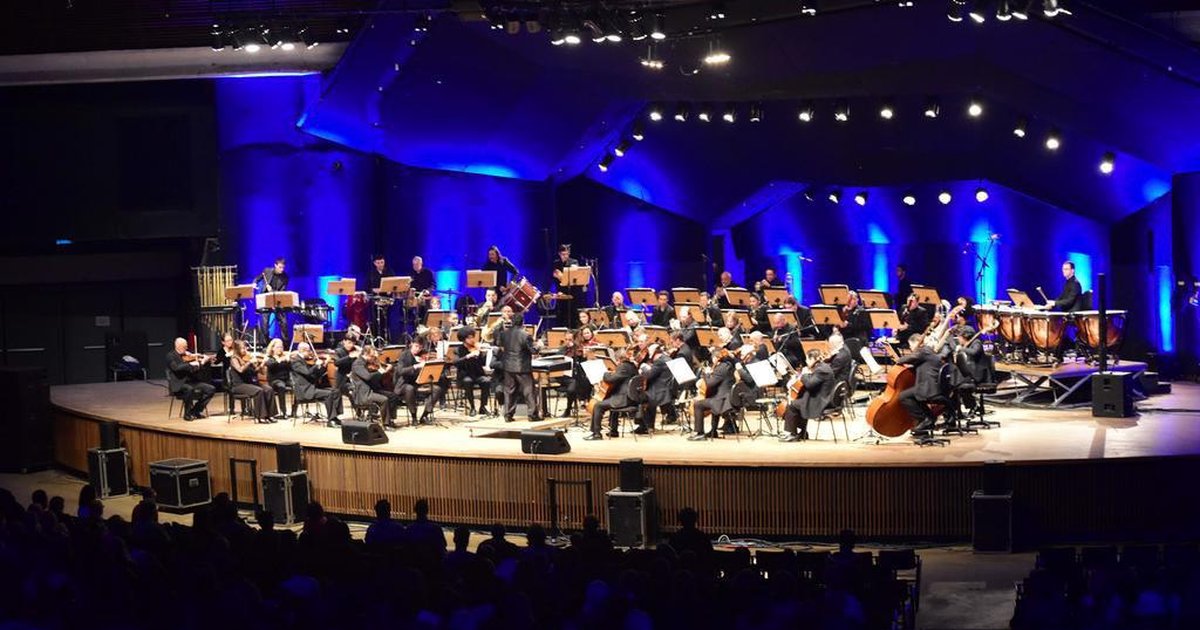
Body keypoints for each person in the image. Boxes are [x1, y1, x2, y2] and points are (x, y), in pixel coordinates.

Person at [495, 305, 540, 422]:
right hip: (522, 367)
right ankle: (532, 415)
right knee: (528, 390)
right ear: (522, 322)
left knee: (509, 391)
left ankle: (508, 415)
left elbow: (499, 344)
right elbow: (533, 350)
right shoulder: (525, 335)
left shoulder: (504, 333)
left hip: (508, 366)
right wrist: (538, 345)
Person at [584, 346, 639, 440]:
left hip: (624, 399)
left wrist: (605, 373)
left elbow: (611, 379)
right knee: (611, 399)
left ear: (619, 359)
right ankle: (613, 430)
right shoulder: (632, 366)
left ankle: (596, 433)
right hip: (631, 398)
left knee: (598, 405)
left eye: (616, 360)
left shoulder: (623, 367)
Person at [780, 349, 836, 442]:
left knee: (792, 405)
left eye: (807, 359)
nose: (806, 361)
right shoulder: (821, 367)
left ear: (813, 359)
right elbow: (813, 380)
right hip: (820, 397)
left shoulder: (822, 369)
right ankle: (802, 432)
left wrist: (803, 376)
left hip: (821, 401)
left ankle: (792, 434)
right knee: (800, 402)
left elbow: (810, 384)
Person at [689, 335, 737, 441]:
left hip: (722, 401)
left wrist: (706, 374)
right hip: (725, 398)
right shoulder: (728, 365)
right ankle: (713, 431)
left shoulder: (721, 368)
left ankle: (699, 433)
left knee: (698, 404)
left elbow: (710, 383)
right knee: (712, 397)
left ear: (716, 357)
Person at [895, 334, 943, 435]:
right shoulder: (928, 351)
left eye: (910, 345)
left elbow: (903, 360)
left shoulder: (923, 351)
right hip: (935, 386)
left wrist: (899, 360)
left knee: (903, 396)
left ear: (916, 342)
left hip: (929, 388)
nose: (911, 348)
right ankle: (929, 418)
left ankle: (924, 419)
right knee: (913, 395)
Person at [290, 342, 343, 426]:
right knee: (329, 394)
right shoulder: (296, 362)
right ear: (303, 350)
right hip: (305, 391)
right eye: (309, 351)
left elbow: (315, 375)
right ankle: (331, 420)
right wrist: (315, 365)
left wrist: (324, 364)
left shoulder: (302, 361)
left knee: (336, 391)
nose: (310, 352)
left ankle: (335, 416)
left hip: (311, 388)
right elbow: (307, 373)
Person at [393, 339, 444, 425]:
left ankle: (425, 415)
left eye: (420, 348)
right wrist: (416, 366)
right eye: (416, 346)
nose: (418, 349)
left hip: (418, 383)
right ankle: (414, 417)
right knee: (410, 389)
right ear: (411, 345)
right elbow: (400, 371)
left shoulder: (421, 355)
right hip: (404, 384)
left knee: (437, 389)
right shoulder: (404, 355)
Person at [165, 338, 215, 420]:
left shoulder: (187, 356)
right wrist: (190, 363)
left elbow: (195, 369)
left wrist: (202, 362)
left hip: (191, 382)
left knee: (210, 389)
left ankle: (195, 410)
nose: (186, 349)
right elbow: (176, 368)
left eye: (186, 347)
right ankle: (187, 414)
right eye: (185, 347)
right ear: (178, 346)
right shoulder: (170, 356)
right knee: (189, 389)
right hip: (179, 384)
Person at [351, 345, 398, 426]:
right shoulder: (357, 364)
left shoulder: (369, 362)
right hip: (363, 394)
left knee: (393, 396)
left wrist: (388, 367)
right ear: (365, 354)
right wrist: (380, 371)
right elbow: (367, 377)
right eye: (372, 356)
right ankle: (386, 424)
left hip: (372, 390)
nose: (374, 358)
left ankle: (390, 419)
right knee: (384, 399)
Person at [228, 340, 273, 423]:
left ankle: (269, 415)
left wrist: (262, 364)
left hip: (250, 384)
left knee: (268, 389)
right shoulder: (234, 359)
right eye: (242, 348)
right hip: (239, 385)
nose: (245, 350)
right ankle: (260, 416)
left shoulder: (247, 357)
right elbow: (240, 370)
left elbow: (256, 371)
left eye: (245, 348)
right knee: (259, 391)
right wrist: (249, 362)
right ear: (237, 349)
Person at [454, 327, 492, 416]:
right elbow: (455, 363)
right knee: (468, 381)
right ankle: (472, 407)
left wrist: (482, 354)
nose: (472, 340)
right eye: (469, 338)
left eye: (472, 337)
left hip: (477, 374)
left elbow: (483, 363)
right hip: (465, 375)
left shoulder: (476, 348)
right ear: (464, 339)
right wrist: (468, 356)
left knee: (486, 381)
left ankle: (483, 406)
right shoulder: (458, 350)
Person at [640, 343, 675, 433]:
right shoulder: (666, 358)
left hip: (660, 391)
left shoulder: (659, 362)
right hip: (667, 388)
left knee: (641, 396)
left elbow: (649, 375)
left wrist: (643, 367)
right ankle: (647, 425)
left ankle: (646, 426)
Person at [550, 244, 584, 330]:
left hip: (572, 294)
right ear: (559, 254)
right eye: (563, 254)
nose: (565, 256)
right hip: (560, 293)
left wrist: (562, 276)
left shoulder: (574, 262)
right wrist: (562, 277)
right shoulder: (556, 263)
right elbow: (555, 275)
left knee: (572, 316)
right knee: (561, 315)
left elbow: (573, 276)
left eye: (567, 254)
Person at [256, 257, 290, 341]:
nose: (281, 269)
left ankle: (285, 344)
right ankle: (266, 343)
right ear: (275, 265)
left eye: (283, 268)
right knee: (264, 323)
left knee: (283, 322)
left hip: (278, 300)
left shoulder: (285, 277)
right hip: (266, 300)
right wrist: (254, 284)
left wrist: (272, 290)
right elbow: (258, 278)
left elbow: (282, 291)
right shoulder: (267, 271)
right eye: (280, 267)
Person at [263, 338, 292, 419]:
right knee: (281, 386)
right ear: (273, 348)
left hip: (286, 379)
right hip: (274, 380)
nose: (280, 349)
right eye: (278, 347)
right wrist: (278, 360)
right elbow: (270, 365)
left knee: (297, 385)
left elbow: (291, 368)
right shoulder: (269, 358)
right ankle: (284, 412)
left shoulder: (285, 357)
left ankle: (294, 410)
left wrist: (289, 361)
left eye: (281, 347)